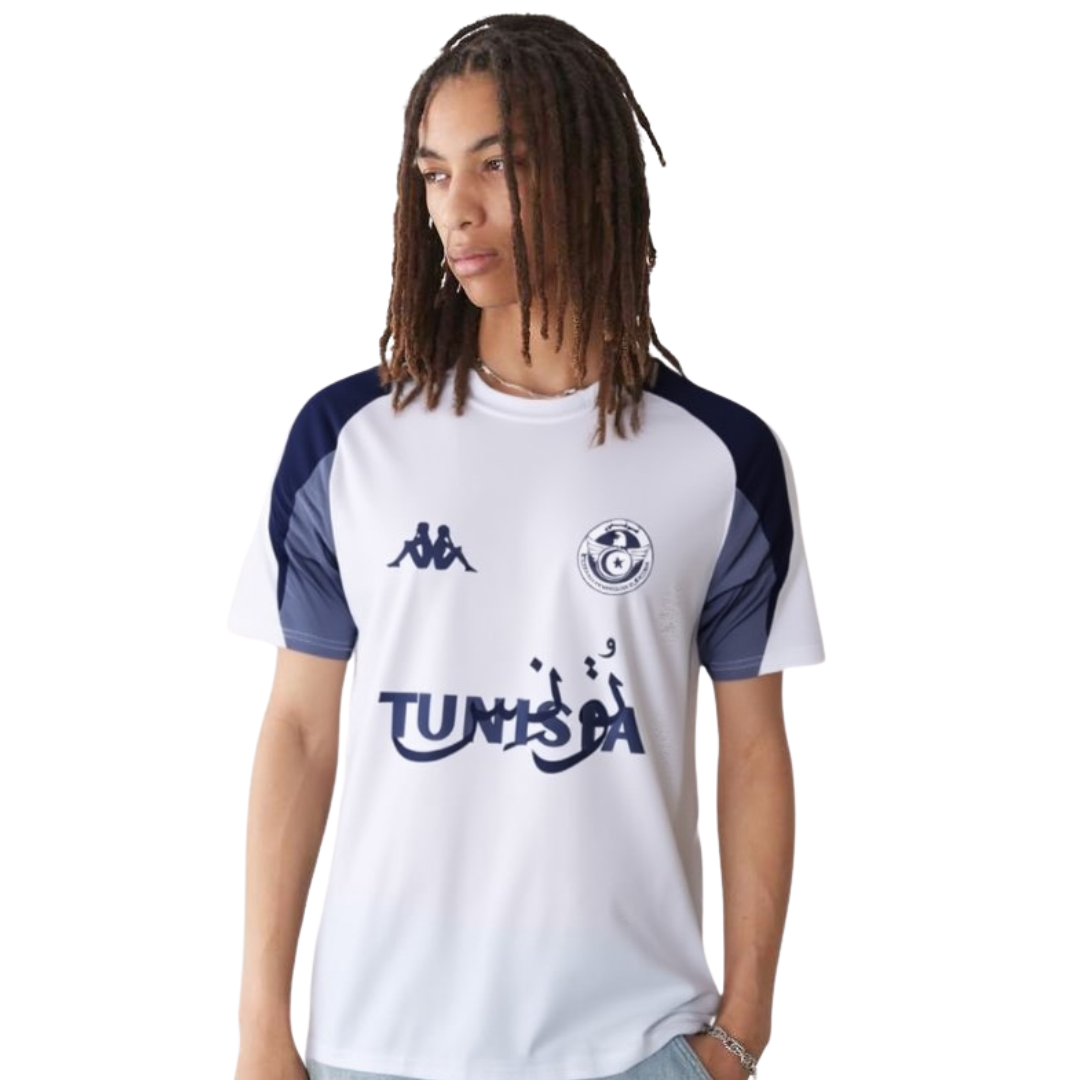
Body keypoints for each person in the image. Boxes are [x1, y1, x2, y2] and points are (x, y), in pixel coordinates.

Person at [228, 14, 825, 1080]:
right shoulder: (347, 439)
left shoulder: (720, 457)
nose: (456, 208)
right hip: (376, 1046)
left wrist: (742, 1033)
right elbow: (300, 732)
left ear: (592, 172)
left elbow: (752, 752)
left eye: (497, 167)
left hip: (635, 1048)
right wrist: (261, 1033)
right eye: (433, 173)